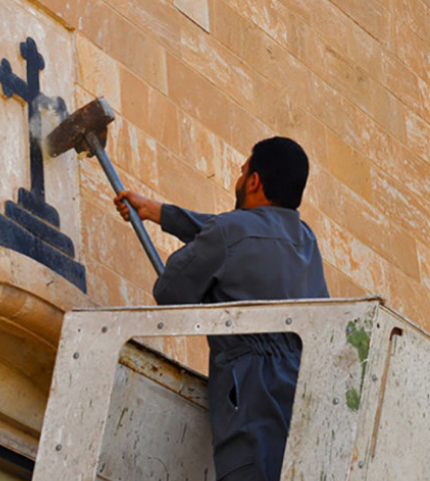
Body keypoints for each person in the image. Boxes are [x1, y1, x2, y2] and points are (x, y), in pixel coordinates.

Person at [114, 136, 329, 481]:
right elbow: (241, 234)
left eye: (243, 172)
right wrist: (159, 213)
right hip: (305, 403)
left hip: (250, 400)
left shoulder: (229, 232)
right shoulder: (306, 240)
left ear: (254, 181)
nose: (239, 178)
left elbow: (170, 292)